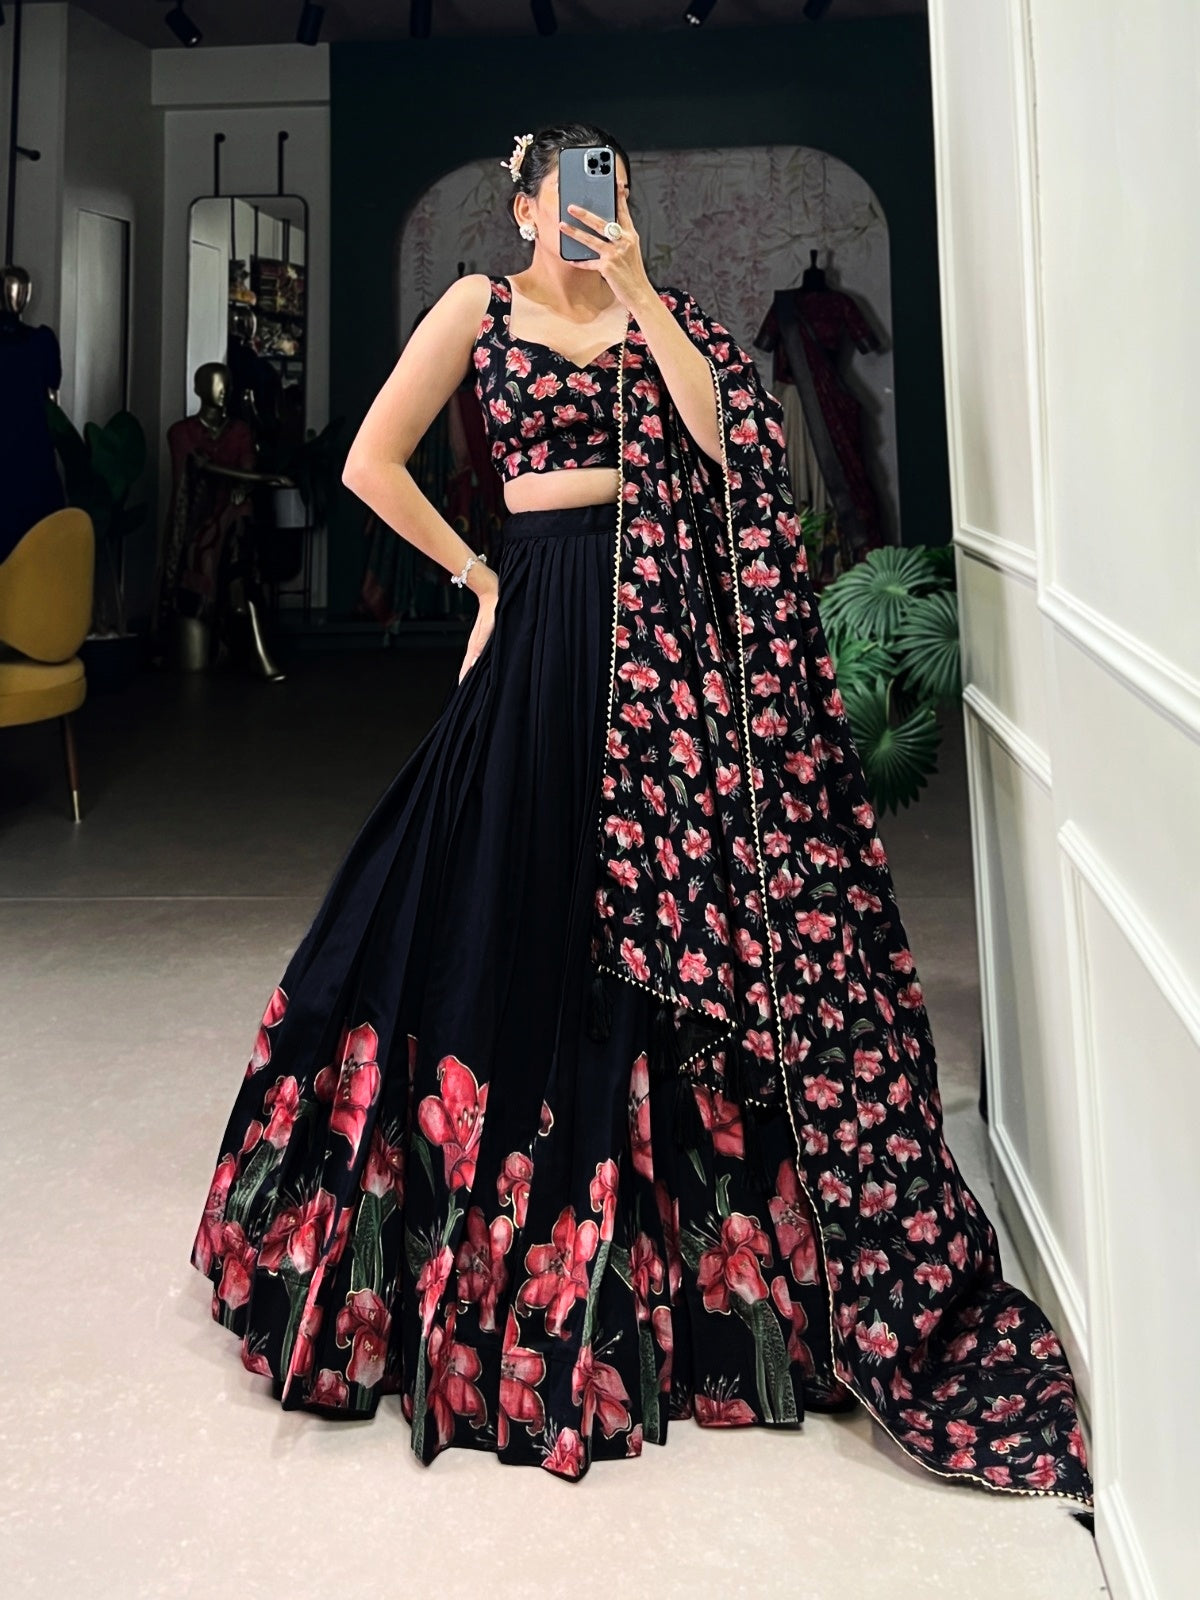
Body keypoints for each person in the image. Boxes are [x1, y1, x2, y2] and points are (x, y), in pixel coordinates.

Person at [190, 124, 1094, 1503]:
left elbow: (732, 444)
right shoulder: (478, 308)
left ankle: (683, 1265)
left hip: (657, 652)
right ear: (522, 205)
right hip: (538, 616)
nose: (587, 210)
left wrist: (643, 292)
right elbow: (373, 461)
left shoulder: (652, 312)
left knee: (673, 926)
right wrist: (479, 581)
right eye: (565, 191)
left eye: (609, 190)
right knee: (489, 896)